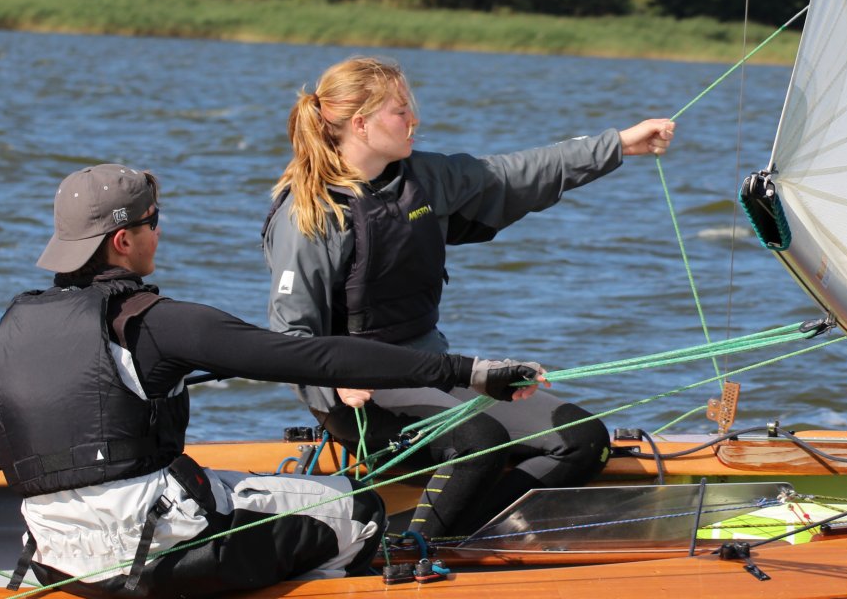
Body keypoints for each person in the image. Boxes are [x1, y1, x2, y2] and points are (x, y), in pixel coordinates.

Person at [0, 163, 544, 598]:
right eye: (153, 222)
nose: (158, 233)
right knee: (358, 510)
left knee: (246, 493)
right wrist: (466, 372)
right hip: (149, 553)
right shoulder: (158, 322)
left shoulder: (14, 330)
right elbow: (316, 358)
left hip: (55, 559)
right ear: (123, 241)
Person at [263, 56, 675, 540]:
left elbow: (517, 172)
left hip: (432, 371)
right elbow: (289, 335)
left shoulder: (424, 177)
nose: (414, 120)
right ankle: (406, 549)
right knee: (479, 441)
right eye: (400, 111)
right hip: (359, 397)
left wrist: (618, 144)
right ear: (360, 124)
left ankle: (458, 538)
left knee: (582, 440)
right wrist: (332, 386)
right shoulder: (310, 215)